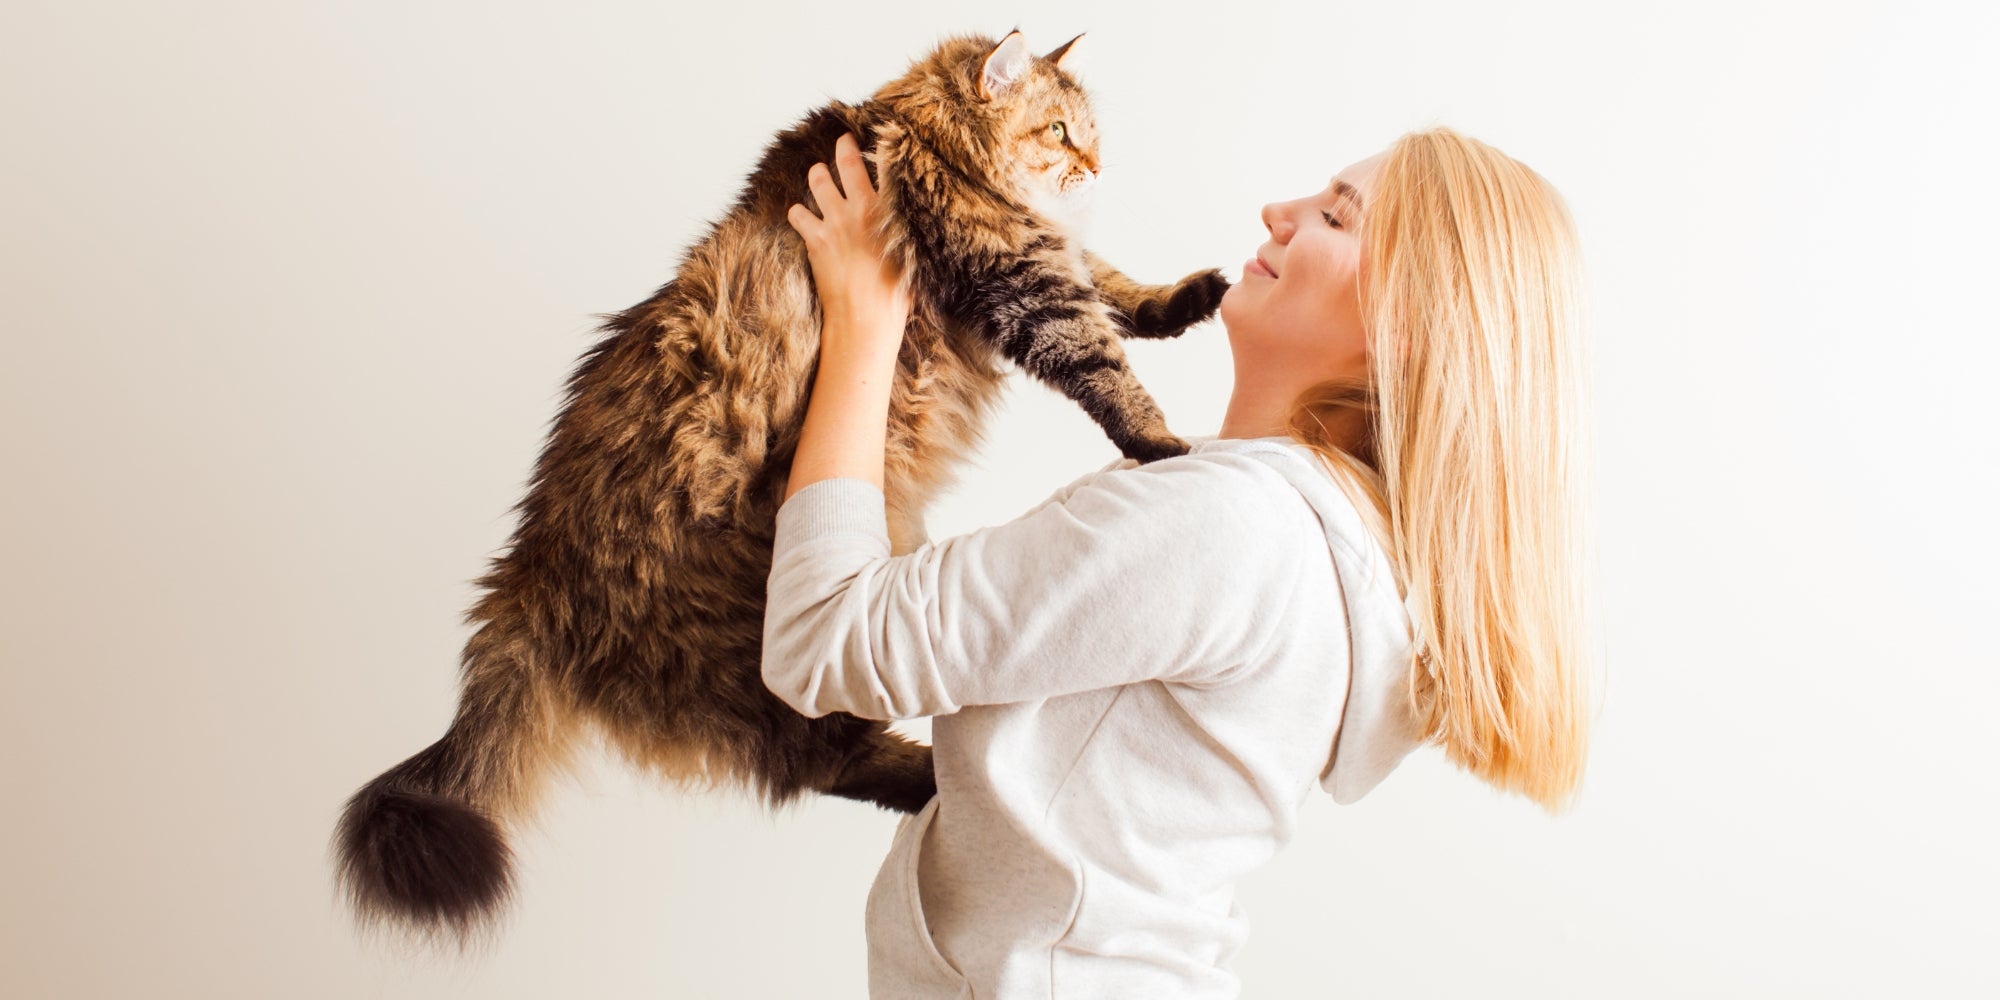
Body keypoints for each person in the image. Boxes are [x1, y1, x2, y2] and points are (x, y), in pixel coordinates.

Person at [764, 127, 1596, 999]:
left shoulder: (1233, 528)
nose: (1279, 214)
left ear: (1408, 327)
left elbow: (823, 641)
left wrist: (867, 320)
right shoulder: (1306, 539)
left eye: (1335, 219)